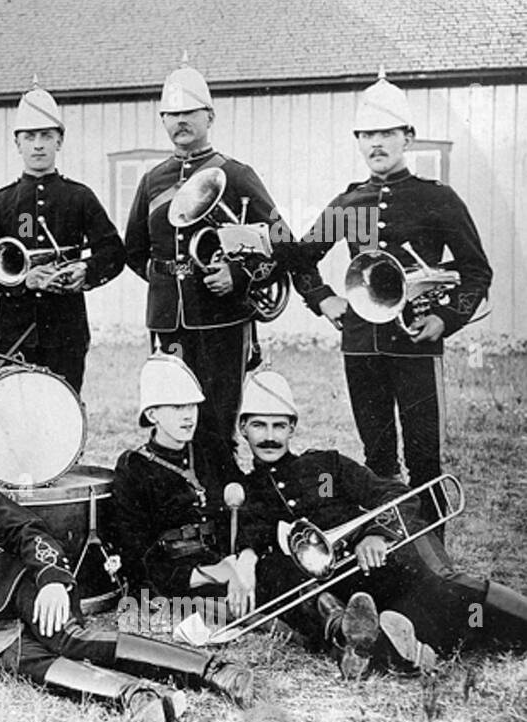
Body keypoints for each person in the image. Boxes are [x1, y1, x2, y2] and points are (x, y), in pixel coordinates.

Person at [0, 399, 252, 722]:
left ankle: (214, 670)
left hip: (25, 584)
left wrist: (51, 582)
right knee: (17, 662)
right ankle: (135, 697)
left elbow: (26, 529)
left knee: (71, 639)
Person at [287, 70, 492, 519]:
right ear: (358, 141)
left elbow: (476, 270)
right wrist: (323, 298)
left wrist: (445, 318)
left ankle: (434, 561)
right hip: (362, 343)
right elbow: (301, 258)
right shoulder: (350, 204)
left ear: (408, 137)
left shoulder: (435, 199)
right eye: (367, 135)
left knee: (424, 460)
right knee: (377, 458)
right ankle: (392, 555)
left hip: (415, 342)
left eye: (386, 133)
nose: (376, 143)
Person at [233, 371, 527, 673]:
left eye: (279, 425)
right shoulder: (248, 491)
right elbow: (251, 533)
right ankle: (378, 645)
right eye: (258, 425)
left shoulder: (325, 464)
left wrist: (376, 533)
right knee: (391, 618)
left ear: (292, 427)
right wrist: (246, 557)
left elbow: (394, 492)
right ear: (243, 428)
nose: (269, 436)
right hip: (344, 587)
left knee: (446, 595)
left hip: (382, 562)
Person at [123, 65, 285, 444]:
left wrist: (239, 276)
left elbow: (282, 241)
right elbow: (134, 250)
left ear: (209, 116)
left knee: (217, 417)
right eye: (172, 115)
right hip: (168, 319)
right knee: (172, 415)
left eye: (189, 113)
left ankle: (219, 497)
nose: (180, 121)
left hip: (222, 318)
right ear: (163, 120)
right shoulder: (153, 180)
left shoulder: (237, 174)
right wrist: (168, 278)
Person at [0, 86, 124, 392]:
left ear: (59, 141)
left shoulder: (79, 197)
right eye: (29, 137)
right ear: (17, 143)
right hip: (14, 330)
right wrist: (22, 281)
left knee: (63, 411)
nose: (38, 145)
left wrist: (86, 271)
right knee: (17, 408)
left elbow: (113, 251)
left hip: (67, 329)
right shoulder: (1, 202)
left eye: (46, 136)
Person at [110, 354, 245, 607]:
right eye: (177, 407)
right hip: (177, 574)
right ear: (152, 414)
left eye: (192, 406)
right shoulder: (134, 467)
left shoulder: (211, 447)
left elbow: (244, 504)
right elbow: (135, 549)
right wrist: (207, 574)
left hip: (225, 558)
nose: (188, 416)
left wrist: (243, 560)